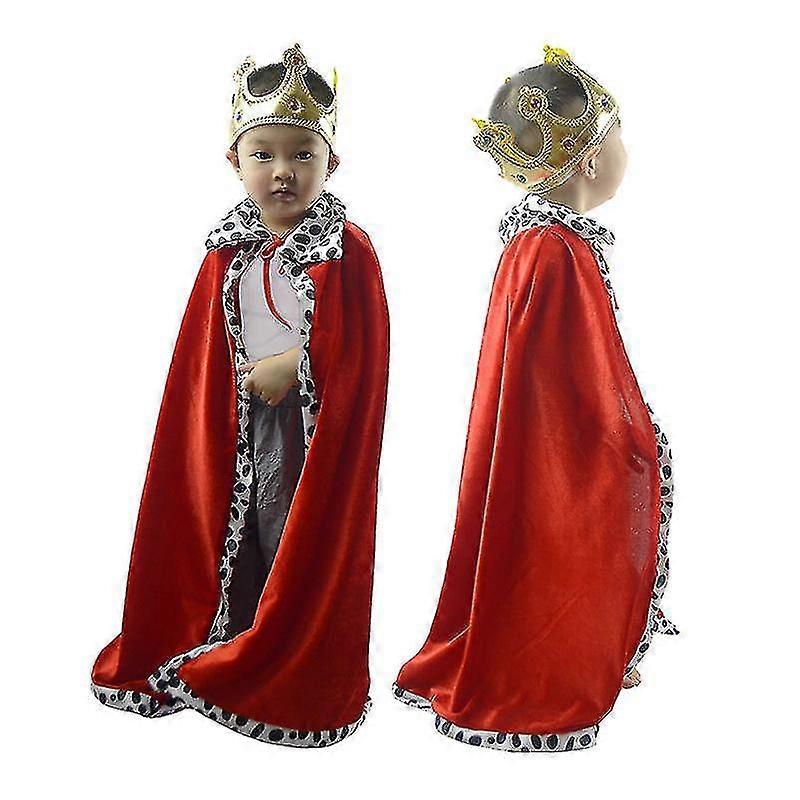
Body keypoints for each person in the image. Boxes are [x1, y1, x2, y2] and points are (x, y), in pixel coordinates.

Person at [91, 44, 390, 748]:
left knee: (294, 533)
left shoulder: (345, 250)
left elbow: (361, 351)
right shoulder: (224, 252)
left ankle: (284, 656)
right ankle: (231, 638)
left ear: (331, 163)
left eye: (302, 155)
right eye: (264, 154)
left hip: (308, 433)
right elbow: (200, 360)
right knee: (238, 528)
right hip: (234, 426)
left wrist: (296, 366)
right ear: (235, 160)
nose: (283, 171)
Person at [393, 45, 676, 752]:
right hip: (560, 445)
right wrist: (629, 432)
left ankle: (579, 645)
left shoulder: (541, 242)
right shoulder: (556, 250)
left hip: (541, 437)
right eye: (619, 136)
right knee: (578, 523)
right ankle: (553, 663)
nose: (626, 151)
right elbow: (576, 373)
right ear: (590, 159)